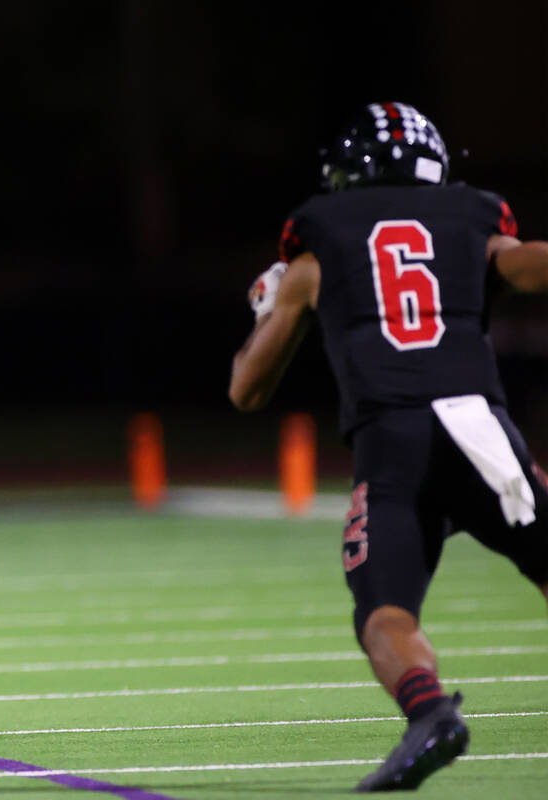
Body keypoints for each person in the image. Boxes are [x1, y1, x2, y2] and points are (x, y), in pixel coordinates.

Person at [228, 102, 548, 792]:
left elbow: (246, 390)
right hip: (479, 430)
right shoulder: (472, 223)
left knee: (384, 611)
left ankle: (430, 712)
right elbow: (529, 266)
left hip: (393, 443)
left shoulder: (317, 252)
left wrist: (272, 306)